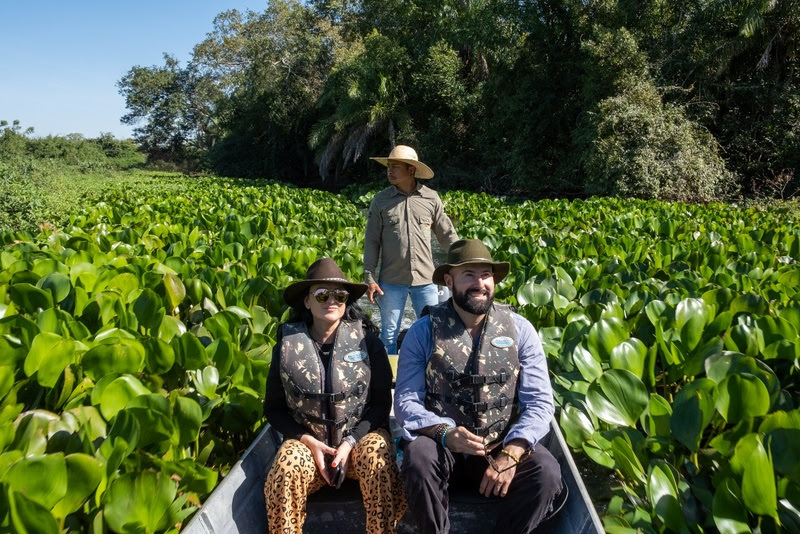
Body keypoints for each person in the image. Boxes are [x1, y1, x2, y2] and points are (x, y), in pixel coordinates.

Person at [394, 239, 563, 534]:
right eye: (469, 275)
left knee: (547, 474)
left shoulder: (520, 330)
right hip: (443, 448)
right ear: (449, 281)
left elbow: (539, 403)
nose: (480, 283)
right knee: (418, 457)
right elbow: (406, 402)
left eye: (485, 275)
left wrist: (512, 451)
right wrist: (445, 433)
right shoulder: (422, 332)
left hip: (500, 444)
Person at [263, 257, 406, 533]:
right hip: (308, 447)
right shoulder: (286, 346)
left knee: (378, 456)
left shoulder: (369, 343)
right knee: (284, 467)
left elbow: (380, 404)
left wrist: (351, 442)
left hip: (358, 443)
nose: (332, 301)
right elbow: (273, 410)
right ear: (307, 301)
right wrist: (309, 442)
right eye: (322, 294)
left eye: (339, 295)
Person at [364, 144, 459, 355]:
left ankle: (430, 375)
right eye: (389, 166)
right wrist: (369, 277)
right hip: (391, 281)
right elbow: (371, 242)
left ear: (411, 170)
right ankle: (388, 380)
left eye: (396, 166)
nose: (390, 170)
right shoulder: (380, 201)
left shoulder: (431, 198)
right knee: (389, 333)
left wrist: (463, 264)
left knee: (432, 331)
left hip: (426, 280)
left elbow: (447, 235)